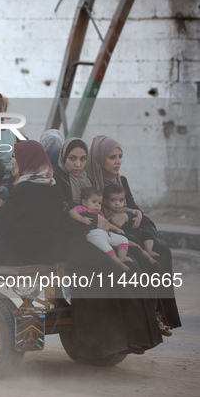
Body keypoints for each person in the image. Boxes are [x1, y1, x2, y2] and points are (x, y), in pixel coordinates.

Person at [54, 138, 163, 356]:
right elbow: (63, 219)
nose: (78, 164)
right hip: (70, 241)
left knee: (132, 263)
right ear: (63, 159)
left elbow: (103, 210)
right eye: (72, 159)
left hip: (93, 236)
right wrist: (96, 223)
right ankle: (103, 342)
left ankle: (136, 336)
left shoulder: (86, 181)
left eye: (82, 159)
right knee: (111, 268)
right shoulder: (58, 182)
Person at [86, 134, 181, 333]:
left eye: (120, 156)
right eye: (112, 157)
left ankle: (162, 313)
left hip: (130, 230)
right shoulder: (90, 183)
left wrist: (129, 216)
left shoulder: (122, 180)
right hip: (111, 236)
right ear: (99, 158)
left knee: (163, 252)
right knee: (141, 259)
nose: (118, 161)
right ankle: (148, 319)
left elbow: (135, 209)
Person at [69, 187, 131, 271]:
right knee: (107, 248)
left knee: (123, 240)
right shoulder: (83, 208)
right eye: (94, 202)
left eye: (99, 203)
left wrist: (116, 229)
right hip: (93, 235)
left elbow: (106, 223)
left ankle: (122, 256)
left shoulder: (99, 213)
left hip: (106, 234)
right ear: (84, 202)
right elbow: (72, 212)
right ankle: (118, 262)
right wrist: (81, 219)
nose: (97, 205)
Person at [103, 183, 159, 261]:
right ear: (105, 202)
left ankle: (149, 250)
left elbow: (137, 211)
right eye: (113, 200)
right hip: (124, 234)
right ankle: (147, 256)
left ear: (124, 201)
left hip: (133, 230)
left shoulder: (124, 209)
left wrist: (139, 217)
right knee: (135, 242)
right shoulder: (105, 211)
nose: (117, 203)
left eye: (120, 200)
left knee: (147, 234)